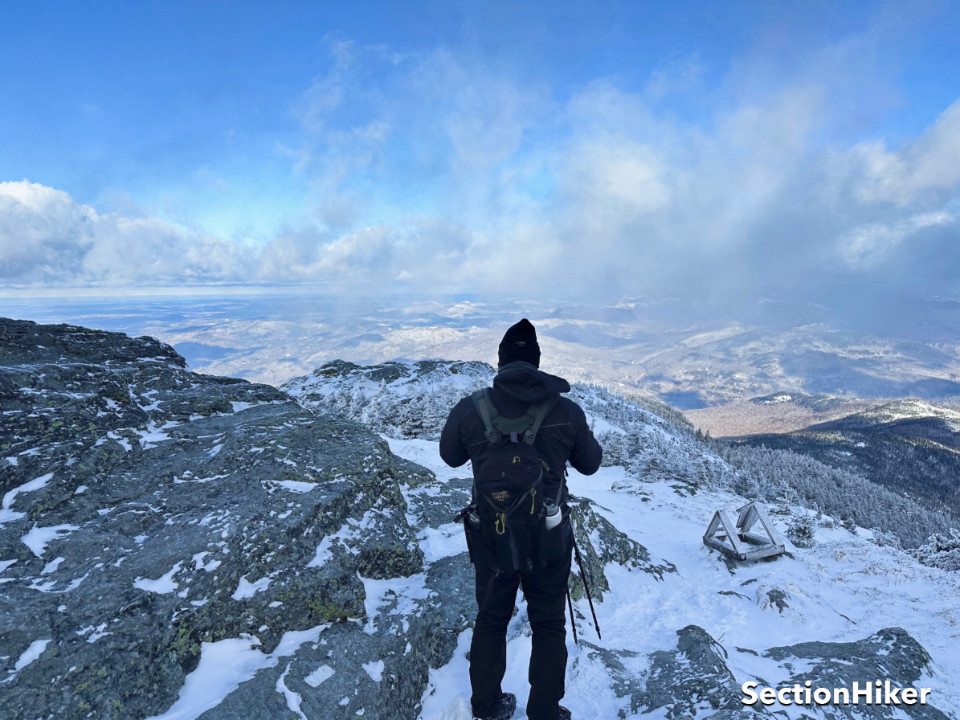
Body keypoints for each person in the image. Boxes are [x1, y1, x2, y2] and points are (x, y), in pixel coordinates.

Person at [440, 318, 603, 720]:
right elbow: (591, 463)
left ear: (501, 362)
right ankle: (545, 712)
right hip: (548, 537)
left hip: (491, 536)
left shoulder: (472, 408)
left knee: (491, 620)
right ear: (535, 361)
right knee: (548, 624)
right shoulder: (564, 410)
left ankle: (487, 709)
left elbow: (449, 455)